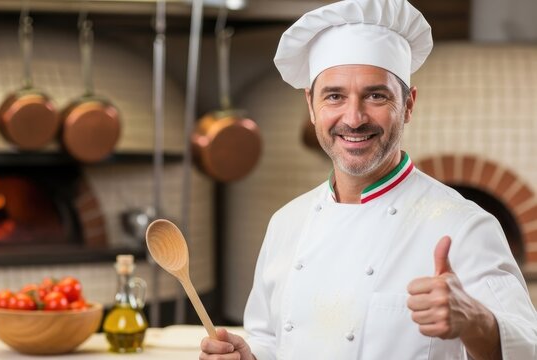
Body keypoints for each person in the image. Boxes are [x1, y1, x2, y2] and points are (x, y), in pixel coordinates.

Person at [199, 0, 537, 359]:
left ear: (408, 106)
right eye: (334, 96)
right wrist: (246, 356)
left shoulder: (465, 226)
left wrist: (476, 322)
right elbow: (269, 340)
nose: (354, 117)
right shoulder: (286, 223)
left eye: (376, 95)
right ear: (311, 106)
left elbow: (528, 346)